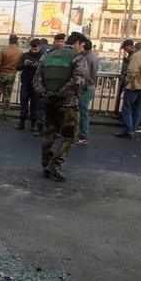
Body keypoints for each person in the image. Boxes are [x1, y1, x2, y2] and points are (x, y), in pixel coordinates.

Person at [34, 32, 89, 181]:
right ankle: (55, 164)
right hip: (67, 104)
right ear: (77, 43)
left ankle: (46, 163)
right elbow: (78, 80)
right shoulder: (78, 58)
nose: (83, 49)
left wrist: (46, 93)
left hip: (48, 102)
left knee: (48, 134)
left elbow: (37, 79)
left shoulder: (48, 56)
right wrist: (61, 93)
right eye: (83, 45)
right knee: (70, 136)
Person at [116, 41, 141, 139]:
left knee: (127, 108)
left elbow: (132, 71)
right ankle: (133, 129)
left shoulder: (137, 55)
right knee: (138, 108)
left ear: (136, 48)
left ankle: (128, 130)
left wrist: (127, 82)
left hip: (134, 86)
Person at [0, 34, 22, 120]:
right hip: (11, 75)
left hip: (1, 75)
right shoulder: (19, 52)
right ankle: (5, 113)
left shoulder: (4, 50)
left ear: (9, 40)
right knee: (7, 96)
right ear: (17, 41)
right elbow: (20, 65)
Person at [16, 39, 44, 132]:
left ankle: (34, 123)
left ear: (40, 47)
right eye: (32, 48)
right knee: (23, 103)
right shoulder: (25, 56)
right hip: (26, 82)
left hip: (36, 84)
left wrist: (36, 65)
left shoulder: (42, 57)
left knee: (35, 105)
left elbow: (44, 70)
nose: (34, 50)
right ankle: (21, 123)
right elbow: (17, 67)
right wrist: (24, 64)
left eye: (36, 49)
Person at [76, 39, 99, 145]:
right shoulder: (93, 56)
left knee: (83, 111)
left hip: (86, 87)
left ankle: (83, 136)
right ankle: (81, 134)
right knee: (83, 110)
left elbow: (84, 74)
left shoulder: (86, 58)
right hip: (90, 86)